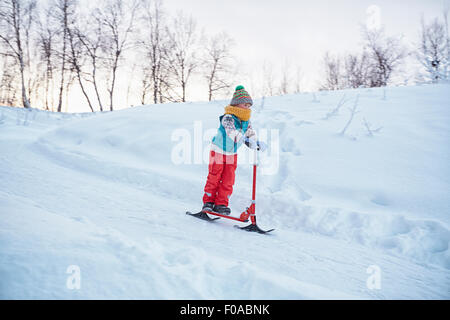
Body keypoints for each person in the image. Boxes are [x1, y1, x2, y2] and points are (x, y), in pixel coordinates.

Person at [202, 85, 266, 215]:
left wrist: (255, 141)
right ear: (236, 105)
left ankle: (221, 204)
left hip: (232, 154)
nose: (247, 108)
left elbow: (249, 132)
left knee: (228, 179)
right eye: (244, 105)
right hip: (218, 151)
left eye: (249, 106)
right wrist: (245, 140)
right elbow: (232, 132)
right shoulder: (228, 117)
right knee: (215, 176)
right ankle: (208, 202)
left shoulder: (246, 120)